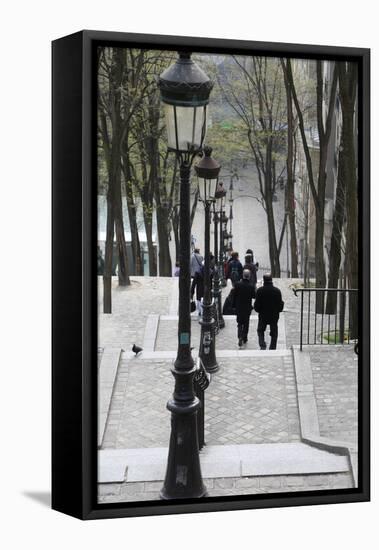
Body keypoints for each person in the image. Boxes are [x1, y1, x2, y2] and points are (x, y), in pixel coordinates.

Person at [254, 273, 284, 350]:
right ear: (271, 280)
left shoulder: (259, 291)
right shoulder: (277, 291)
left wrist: (258, 310)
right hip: (274, 315)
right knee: (274, 331)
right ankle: (273, 347)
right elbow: (280, 305)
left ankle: (262, 344)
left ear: (263, 280)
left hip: (263, 315)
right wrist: (278, 310)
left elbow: (256, 305)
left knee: (260, 330)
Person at [233, 269, 256, 347]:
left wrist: (233, 305)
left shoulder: (237, 284)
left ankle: (239, 336)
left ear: (243, 275)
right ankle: (244, 337)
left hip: (239, 307)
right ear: (249, 276)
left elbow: (234, 296)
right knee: (246, 323)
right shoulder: (251, 286)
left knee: (239, 323)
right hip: (247, 307)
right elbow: (254, 296)